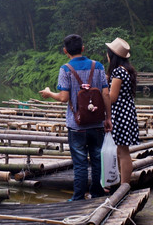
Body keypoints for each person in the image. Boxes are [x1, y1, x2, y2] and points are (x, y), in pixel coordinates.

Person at [39, 34, 112, 201]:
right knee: (96, 160)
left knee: (79, 163)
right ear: (83, 48)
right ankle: (97, 193)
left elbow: (64, 97)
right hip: (97, 124)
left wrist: (49, 93)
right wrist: (108, 118)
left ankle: (78, 196)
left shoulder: (65, 69)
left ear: (65, 51)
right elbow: (106, 94)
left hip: (76, 125)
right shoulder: (98, 66)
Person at [106, 37, 139, 185]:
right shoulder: (126, 70)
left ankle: (124, 184)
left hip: (120, 114)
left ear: (112, 56)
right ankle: (122, 182)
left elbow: (112, 98)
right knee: (121, 150)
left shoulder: (118, 72)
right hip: (127, 112)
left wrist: (101, 94)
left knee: (123, 152)